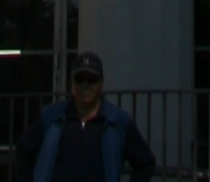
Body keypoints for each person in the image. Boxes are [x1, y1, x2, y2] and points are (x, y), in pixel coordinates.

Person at [32, 51, 157, 182]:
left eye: (91, 79)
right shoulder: (51, 116)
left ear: (101, 82)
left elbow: (145, 162)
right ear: (71, 82)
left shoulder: (118, 122)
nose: (85, 85)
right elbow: (23, 151)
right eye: (79, 79)